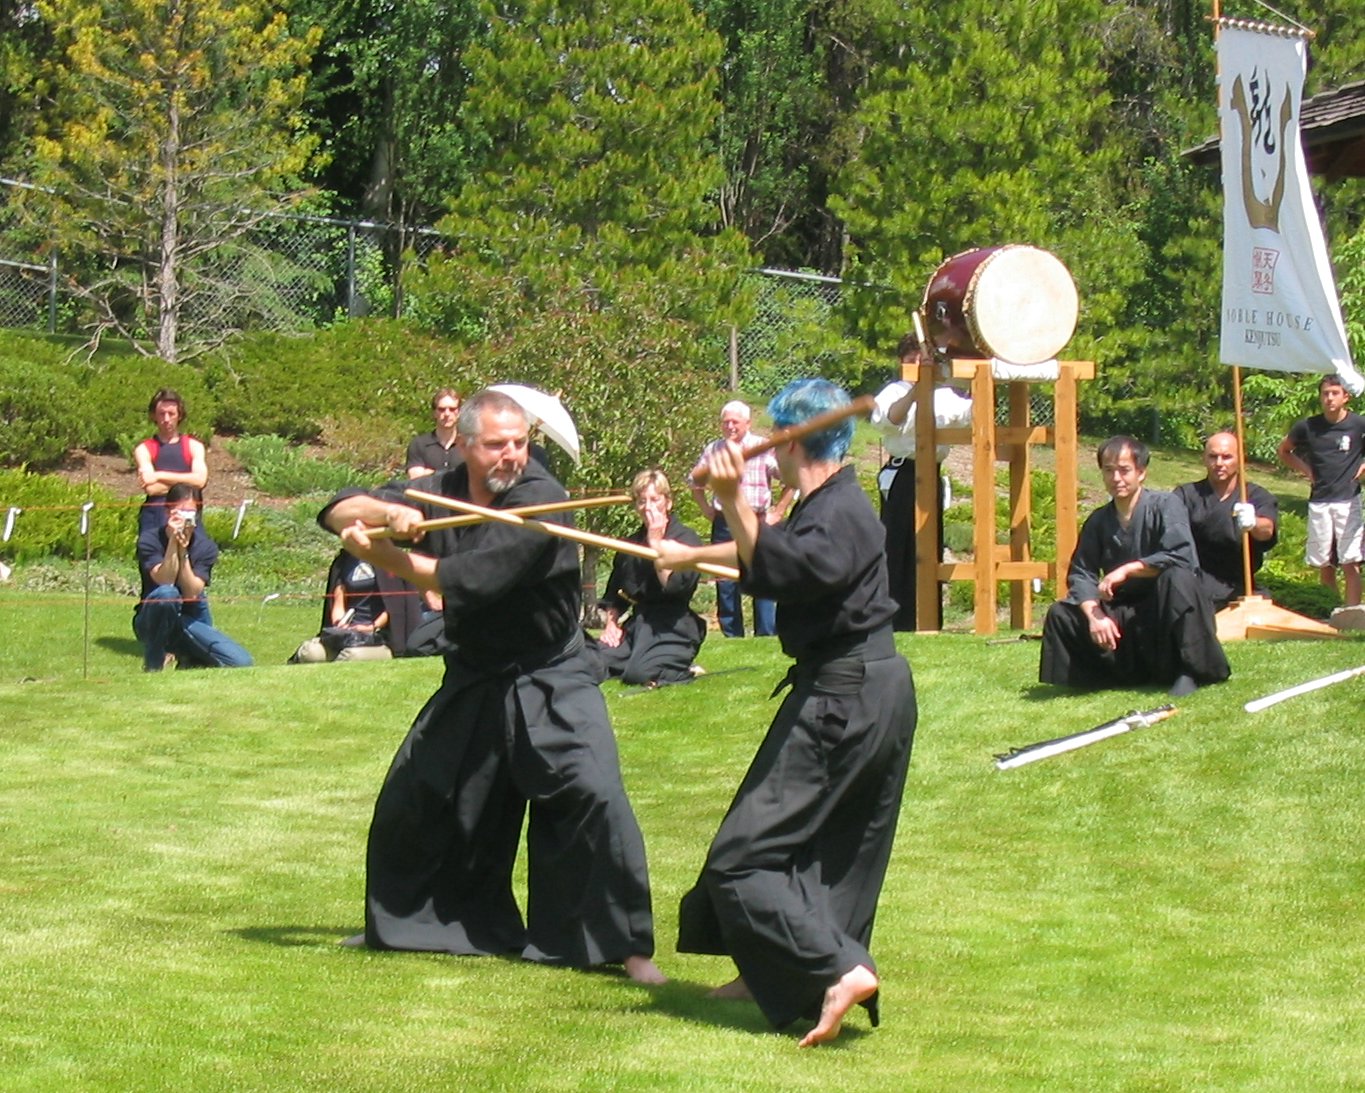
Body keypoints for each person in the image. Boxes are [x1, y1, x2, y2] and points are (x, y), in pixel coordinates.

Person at [319, 388, 662, 984]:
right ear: (467, 446)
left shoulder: (542, 499)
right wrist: (385, 516)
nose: (512, 456)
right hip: (477, 673)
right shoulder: (442, 488)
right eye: (498, 445)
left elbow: (464, 579)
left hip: (551, 672)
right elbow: (333, 510)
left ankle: (623, 948)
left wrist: (382, 553)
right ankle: (405, 926)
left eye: (520, 443)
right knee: (418, 794)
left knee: (593, 793)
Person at [656, 378, 917, 1047]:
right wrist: (690, 553)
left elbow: (779, 568)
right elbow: (768, 549)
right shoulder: (825, 501)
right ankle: (772, 968)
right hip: (862, 686)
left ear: (792, 440)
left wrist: (725, 498)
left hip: (844, 693)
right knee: (820, 846)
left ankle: (835, 965)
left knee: (741, 857)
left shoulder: (843, 512)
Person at [1039, 436, 1230, 697]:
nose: (1116, 478)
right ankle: (1108, 676)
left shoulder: (1166, 505)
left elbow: (1181, 556)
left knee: (1177, 578)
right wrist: (1095, 615)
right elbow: (1081, 573)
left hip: (1165, 604)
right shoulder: (1099, 520)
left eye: (1124, 470)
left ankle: (1189, 670)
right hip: (1125, 610)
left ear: (1141, 473)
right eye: (1109, 470)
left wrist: (1129, 569)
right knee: (1061, 613)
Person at [871, 332, 972, 630]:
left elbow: (969, 415)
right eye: (912, 359)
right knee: (896, 547)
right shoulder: (894, 391)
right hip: (903, 475)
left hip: (932, 474)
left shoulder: (945, 394)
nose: (918, 363)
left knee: (928, 548)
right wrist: (917, 387)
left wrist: (976, 380)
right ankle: (894, 621)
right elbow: (889, 418)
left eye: (923, 358)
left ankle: (928, 620)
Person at [588, 469, 706, 687]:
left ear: (668, 502)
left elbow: (674, 588)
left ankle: (681, 667)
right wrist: (612, 625)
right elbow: (616, 594)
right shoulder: (630, 544)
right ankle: (638, 660)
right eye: (642, 501)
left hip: (673, 626)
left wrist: (656, 541)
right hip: (638, 625)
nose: (648, 507)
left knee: (639, 674)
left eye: (655, 499)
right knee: (589, 659)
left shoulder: (686, 539)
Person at [688, 401, 793, 637]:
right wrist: (705, 508)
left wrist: (778, 511)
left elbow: (790, 480)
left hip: (759, 521)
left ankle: (766, 633)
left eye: (735, 421)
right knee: (725, 579)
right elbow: (694, 481)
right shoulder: (714, 449)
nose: (730, 426)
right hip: (725, 522)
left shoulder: (762, 447)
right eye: (726, 422)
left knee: (763, 574)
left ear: (748, 423)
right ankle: (731, 633)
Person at [133, 483, 253, 672]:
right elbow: (164, 580)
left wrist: (183, 553)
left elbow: (191, 592)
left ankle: (191, 657)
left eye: (191, 512)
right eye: (180, 511)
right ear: (167, 512)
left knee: (241, 662)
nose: (185, 518)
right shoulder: (150, 540)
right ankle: (153, 663)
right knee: (167, 593)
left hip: (190, 617)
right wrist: (173, 542)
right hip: (153, 618)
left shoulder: (205, 547)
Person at [1276, 374, 1365, 608]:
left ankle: (1353, 612)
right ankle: (1329, 609)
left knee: (1350, 559)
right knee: (1324, 562)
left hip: (1348, 500)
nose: (1329, 398)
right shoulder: (1308, 426)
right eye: (1325, 393)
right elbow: (1284, 450)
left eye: (1334, 393)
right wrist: (1306, 470)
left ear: (1346, 396)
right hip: (1320, 500)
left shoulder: (1358, 424)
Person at [1174, 431, 1279, 611]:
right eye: (1213, 457)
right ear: (1204, 459)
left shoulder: (1256, 496)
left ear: (1240, 459)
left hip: (1239, 586)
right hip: (1195, 582)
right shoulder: (1186, 495)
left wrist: (1253, 522)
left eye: (1227, 457)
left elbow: (1267, 530)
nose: (1219, 463)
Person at [289, 550, 393, 663]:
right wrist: (340, 623)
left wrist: (371, 627)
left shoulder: (388, 559)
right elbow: (339, 601)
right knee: (311, 653)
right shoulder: (345, 561)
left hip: (378, 635)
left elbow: (394, 605)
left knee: (351, 656)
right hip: (348, 634)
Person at [133, 389, 208, 533]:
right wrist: (187, 487)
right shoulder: (144, 449)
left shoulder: (194, 446)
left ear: (179, 415)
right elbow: (151, 488)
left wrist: (158, 475)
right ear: (154, 416)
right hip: (155, 520)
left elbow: (200, 481)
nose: (166, 419)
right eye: (162, 414)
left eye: (171, 414)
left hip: (190, 517)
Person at [405, 388, 464, 479]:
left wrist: (429, 473)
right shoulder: (419, 444)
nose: (447, 414)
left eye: (452, 409)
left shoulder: (469, 444)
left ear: (459, 412)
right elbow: (415, 478)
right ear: (434, 413)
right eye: (441, 409)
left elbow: (475, 476)